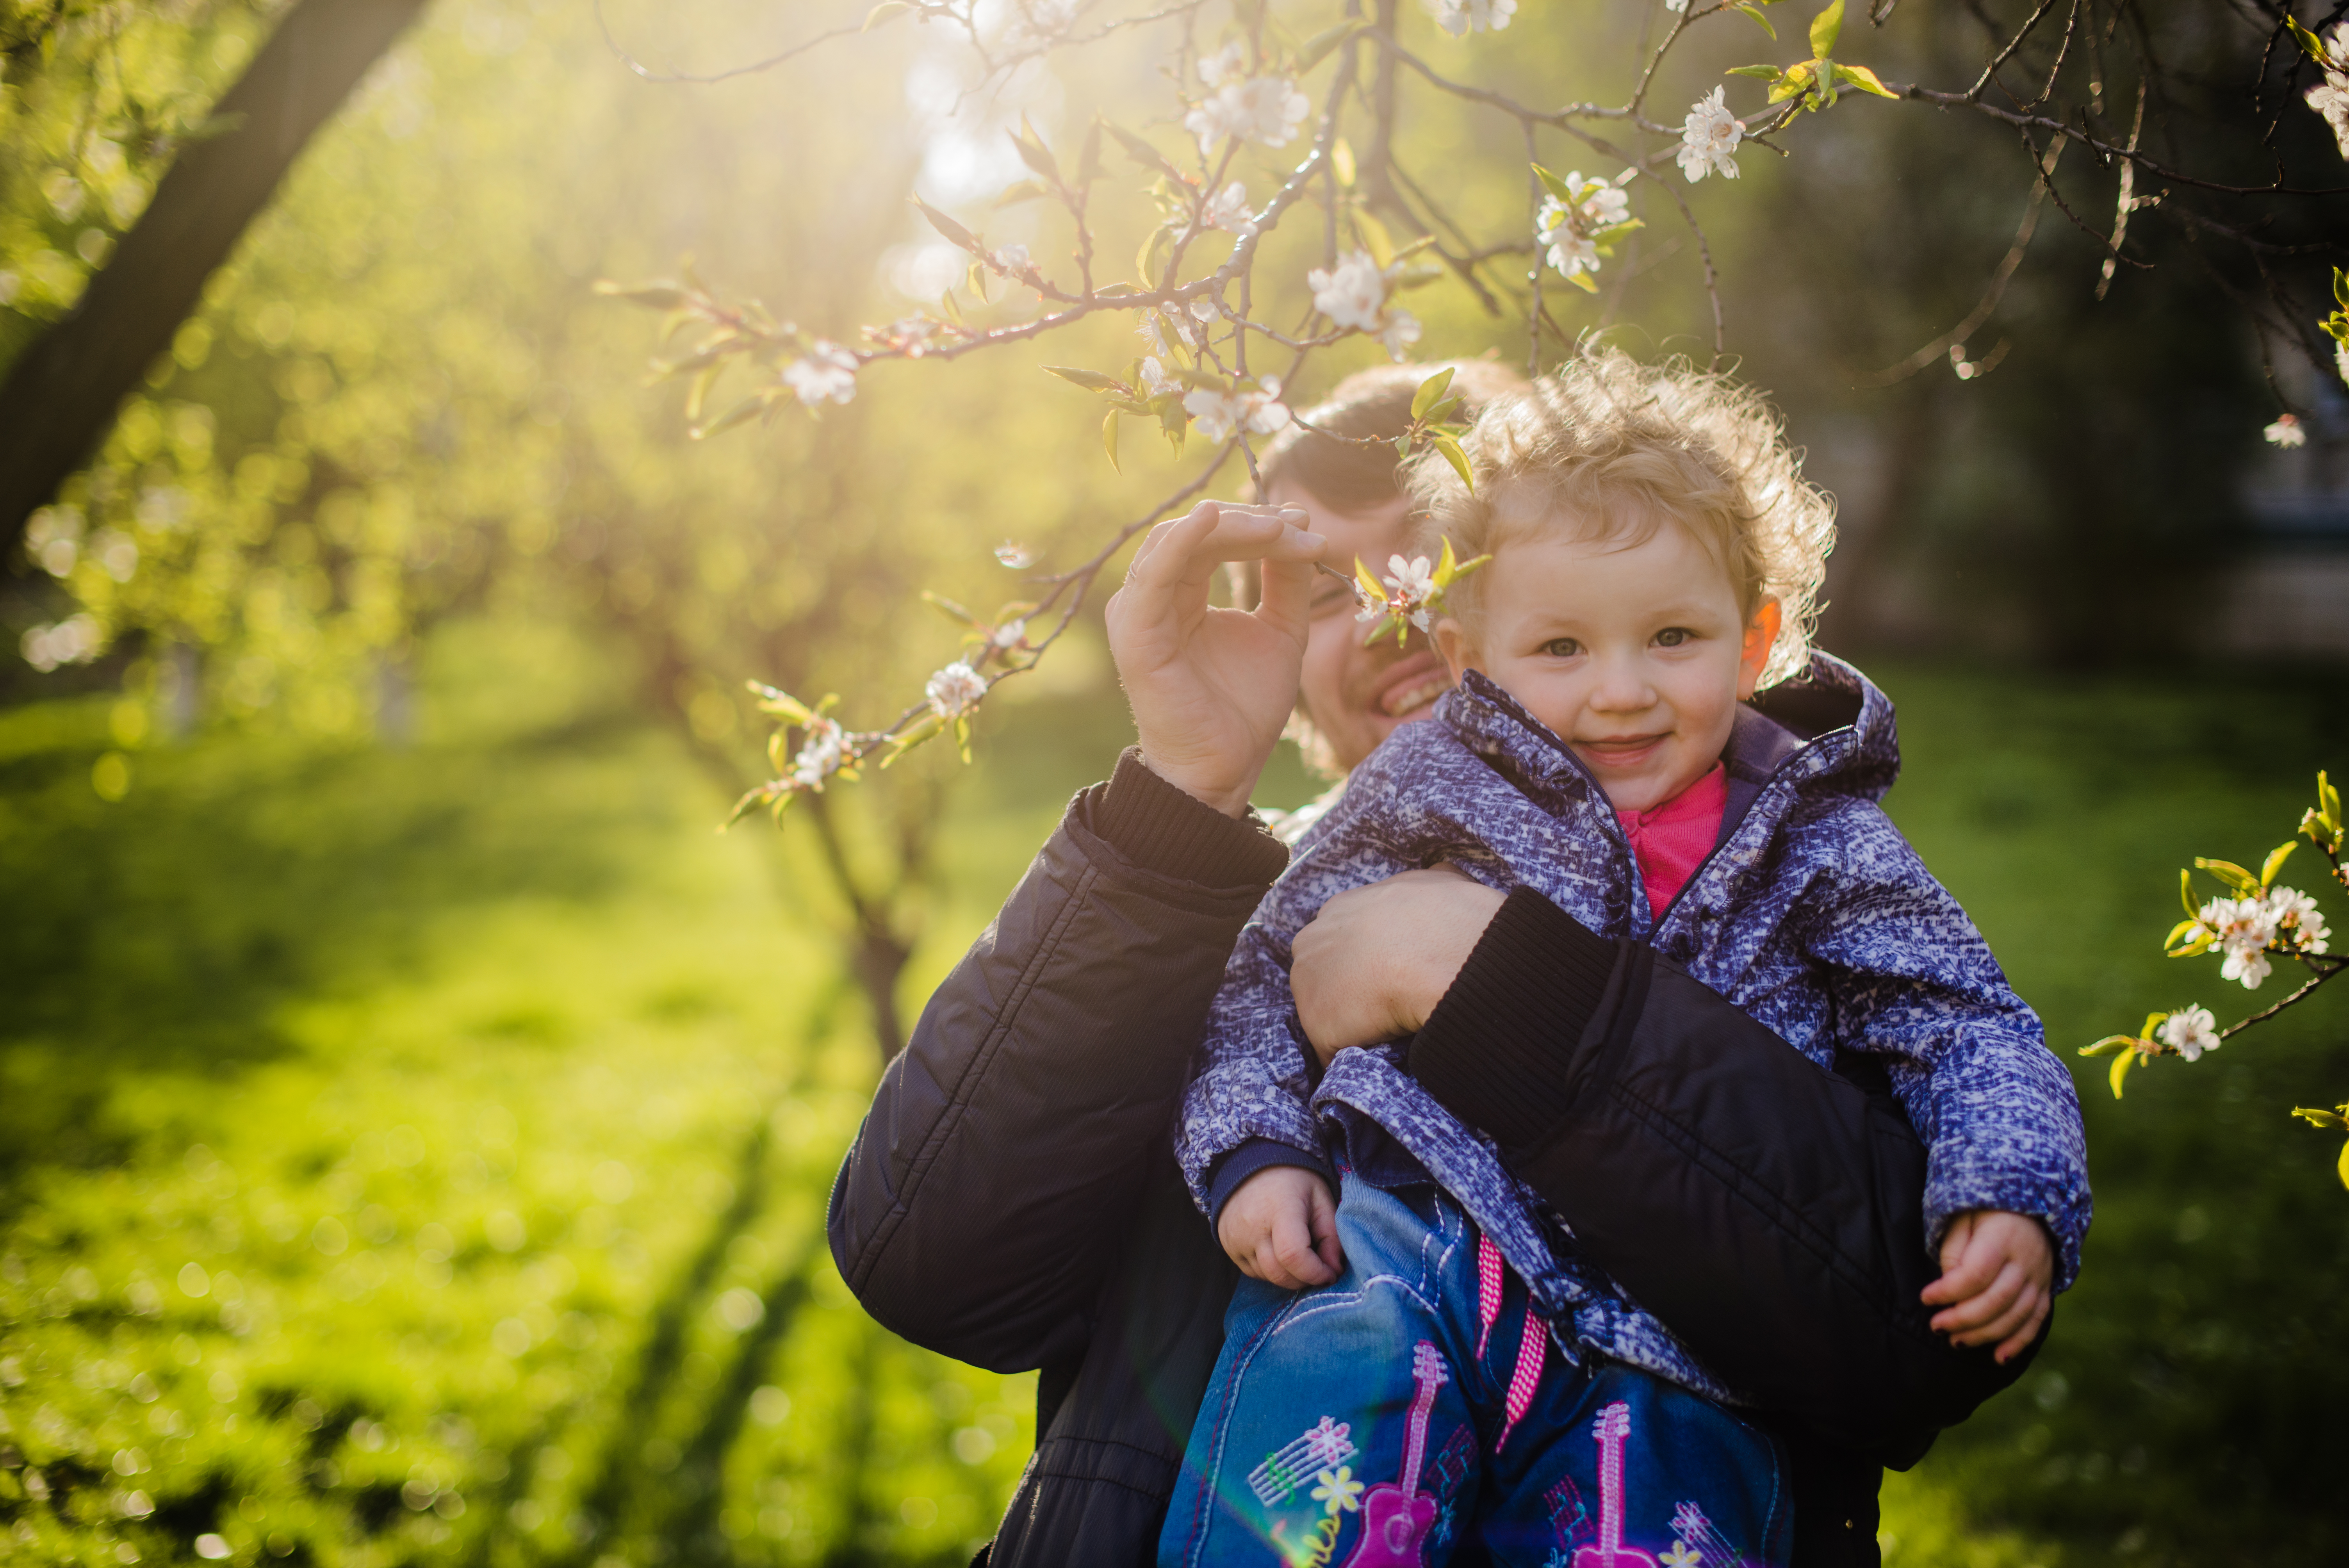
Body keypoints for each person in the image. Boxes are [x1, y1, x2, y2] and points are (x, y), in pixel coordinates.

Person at [827, 364, 2047, 1568]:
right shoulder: (1210, 904)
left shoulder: (1801, 851)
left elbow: (1915, 1322)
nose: (1394, 612)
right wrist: (1179, 806)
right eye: (1330, 587)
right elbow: (938, 1271)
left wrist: (1491, 982)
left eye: (1421, 552)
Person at [1161, 355, 2089, 1566]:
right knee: (1328, 1434)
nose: (1621, 692)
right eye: (1560, 649)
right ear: (1469, 652)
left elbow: (1963, 1022)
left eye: (1672, 636)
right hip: (1420, 1237)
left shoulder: (1817, 838)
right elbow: (1263, 976)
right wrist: (1253, 1149)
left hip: (1680, 1333)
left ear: (1755, 637)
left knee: (1661, 1525)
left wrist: (2006, 1186)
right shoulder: (1430, 783)